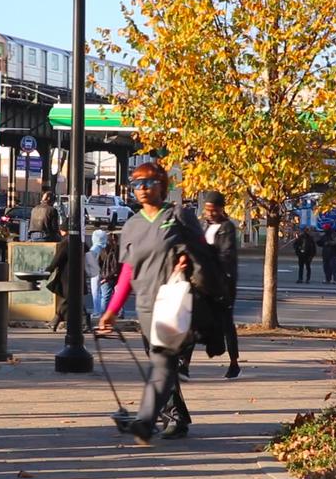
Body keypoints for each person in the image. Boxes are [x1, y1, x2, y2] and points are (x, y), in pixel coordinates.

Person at [98, 162, 203, 443]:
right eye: (136, 183)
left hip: (175, 303)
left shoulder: (178, 216)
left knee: (163, 363)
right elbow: (127, 272)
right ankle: (166, 418)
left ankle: (147, 421)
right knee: (161, 364)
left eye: (149, 182)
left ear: (163, 186)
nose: (142, 188)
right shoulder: (131, 225)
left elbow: (204, 253)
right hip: (145, 307)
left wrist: (187, 260)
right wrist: (111, 310)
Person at [179, 191, 241, 380]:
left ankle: (234, 363)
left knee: (226, 326)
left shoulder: (227, 227)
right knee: (192, 323)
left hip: (222, 285)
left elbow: (226, 255)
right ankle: (184, 365)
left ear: (222, 209)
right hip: (202, 284)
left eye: (214, 210)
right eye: (207, 210)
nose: (210, 213)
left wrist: (206, 256)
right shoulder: (205, 226)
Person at [45, 221, 91, 333]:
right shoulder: (79, 241)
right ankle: (56, 321)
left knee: (71, 299)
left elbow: (57, 259)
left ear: (64, 230)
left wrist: (48, 271)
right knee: (73, 299)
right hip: (78, 275)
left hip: (67, 277)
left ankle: (57, 321)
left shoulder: (65, 242)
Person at [98, 232, 123, 319]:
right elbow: (121, 265)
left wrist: (103, 276)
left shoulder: (103, 250)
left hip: (105, 277)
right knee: (118, 296)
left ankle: (103, 315)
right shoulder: (120, 250)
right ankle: (120, 314)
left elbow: (99, 263)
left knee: (105, 297)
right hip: (117, 277)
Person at [86, 229, 108, 318]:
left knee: (95, 292)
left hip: (95, 272)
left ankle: (97, 311)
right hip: (104, 272)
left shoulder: (94, 248)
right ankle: (103, 310)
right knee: (104, 293)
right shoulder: (106, 247)